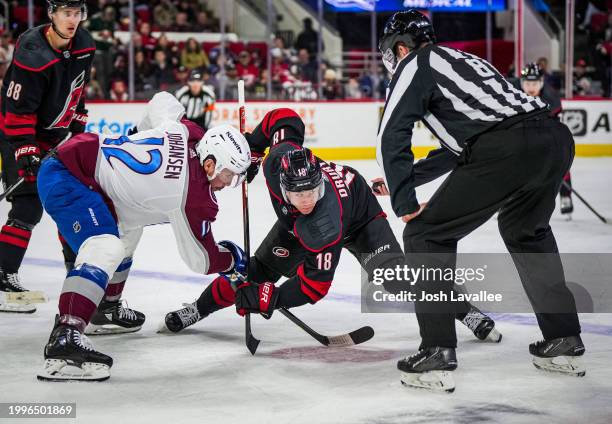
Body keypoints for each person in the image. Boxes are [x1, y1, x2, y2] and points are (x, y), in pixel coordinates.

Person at [161, 109, 501, 347]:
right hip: (298, 225)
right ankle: (198, 309)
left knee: (398, 280)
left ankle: (462, 309)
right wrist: (254, 143)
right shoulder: (278, 160)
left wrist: (273, 297)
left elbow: (314, 287)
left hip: (360, 218)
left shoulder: (321, 222)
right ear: (283, 184)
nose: (306, 198)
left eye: (312, 191)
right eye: (298, 193)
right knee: (254, 271)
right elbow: (285, 117)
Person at [377, 10, 583, 392]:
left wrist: (405, 202)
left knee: (425, 235)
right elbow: (466, 146)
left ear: (399, 47)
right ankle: (564, 338)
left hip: (506, 147)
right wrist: (406, 181)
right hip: (553, 138)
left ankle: (437, 349)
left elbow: (391, 136)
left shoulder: (414, 63)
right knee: (526, 231)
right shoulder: (465, 59)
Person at [36, 92, 251, 381]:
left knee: (128, 232)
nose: (229, 183)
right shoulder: (194, 197)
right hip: (69, 177)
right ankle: (66, 336)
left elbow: (162, 100)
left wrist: (140, 134)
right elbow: (200, 260)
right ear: (210, 163)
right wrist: (231, 260)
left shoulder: (185, 131)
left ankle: (105, 308)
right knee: (105, 246)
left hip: (83, 164)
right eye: (229, 175)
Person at [0, 0, 95, 313]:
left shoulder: (84, 44)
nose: (72, 20)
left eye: (76, 13)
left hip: (54, 135)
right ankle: (2, 278)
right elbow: (17, 110)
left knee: (68, 200)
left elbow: (78, 89)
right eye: (65, 13)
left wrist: (77, 121)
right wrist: (26, 150)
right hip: (16, 132)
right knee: (27, 205)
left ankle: (77, 280)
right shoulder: (32, 51)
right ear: (52, 14)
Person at [514, 63, 574, 217]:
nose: (531, 87)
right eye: (527, 83)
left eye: (534, 83)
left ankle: (566, 195)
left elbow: (554, 127)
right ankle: (510, 200)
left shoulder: (551, 98)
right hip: (522, 135)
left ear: (541, 82)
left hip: (548, 134)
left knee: (560, 160)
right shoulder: (513, 91)